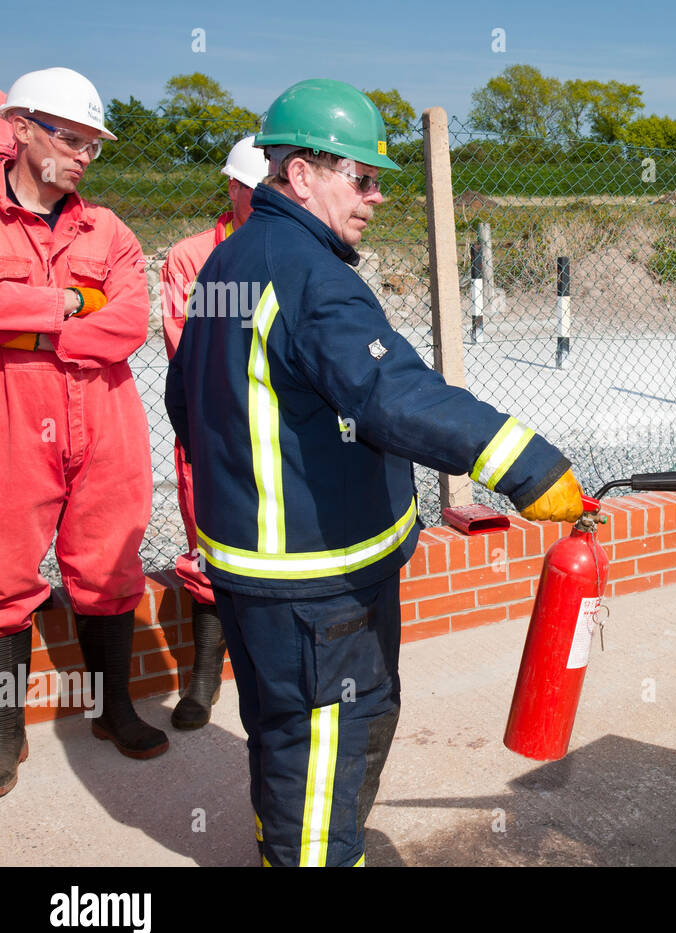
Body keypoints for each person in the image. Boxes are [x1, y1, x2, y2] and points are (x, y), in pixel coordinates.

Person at [165, 78, 584, 866]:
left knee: (285, 736)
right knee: (330, 745)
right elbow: (391, 392)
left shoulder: (228, 260)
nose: (376, 196)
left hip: (249, 570)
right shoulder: (311, 275)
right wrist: (523, 463)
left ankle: (280, 848)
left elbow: (186, 401)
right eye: (360, 177)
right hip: (316, 584)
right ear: (301, 175)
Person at [0, 67, 168, 798]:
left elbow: (130, 322)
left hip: (104, 414)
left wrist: (30, 326)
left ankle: (112, 711)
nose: (84, 156)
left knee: (109, 563)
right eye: (72, 138)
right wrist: (71, 300)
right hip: (13, 414)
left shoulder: (110, 230)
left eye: (94, 146)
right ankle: (6, 733)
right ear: (21, 128)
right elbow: (96, 311)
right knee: (3, 571)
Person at [160, 135, 268, 730]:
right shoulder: (192, 257)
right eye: (256, 192)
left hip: (281, 433)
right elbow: (188, 350)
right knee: (210, 548)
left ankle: (266, 665)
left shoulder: (299, 248)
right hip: (211, 431)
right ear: (233, 188)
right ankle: (204, 677)